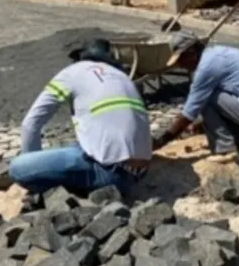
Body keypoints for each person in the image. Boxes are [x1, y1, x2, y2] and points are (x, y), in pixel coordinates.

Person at [9, 39, 152, 196]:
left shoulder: (72, 72)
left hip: (108, 175)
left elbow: (31, 124)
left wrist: (33, 162)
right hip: (139, 173)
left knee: (18, 168)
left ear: (80, 58)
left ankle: (64, 193)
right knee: (74, 146)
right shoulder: (122, 76)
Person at [152, 32, 239, 162]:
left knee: (205, 97)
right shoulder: (215, 54)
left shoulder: (206, 68)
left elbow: (189, 113)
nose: (180, 65)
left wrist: (162, 140)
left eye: (181, 59)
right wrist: (203, 124)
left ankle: (225, 149)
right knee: (208, 94)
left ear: (191, 52)